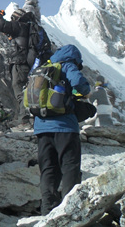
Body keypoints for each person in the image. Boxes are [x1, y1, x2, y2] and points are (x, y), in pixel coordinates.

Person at [34, 44, 90, 216]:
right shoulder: (67, 65)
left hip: (41, 127)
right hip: (65, 127)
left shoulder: (43, 68)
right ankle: (70, 211)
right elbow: (80, 83)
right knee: (69, 167)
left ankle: (47, 211)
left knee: (48, 169)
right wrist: (84, 93)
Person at [0, 8, 38, 127]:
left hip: (19, 64)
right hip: (28, 65)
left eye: (12, 18)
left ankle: (24, 120)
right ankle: (31, 118)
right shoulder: (28, 28)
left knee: (20, 91)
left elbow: (0, 24)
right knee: (27, 91)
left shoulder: (19, 26)